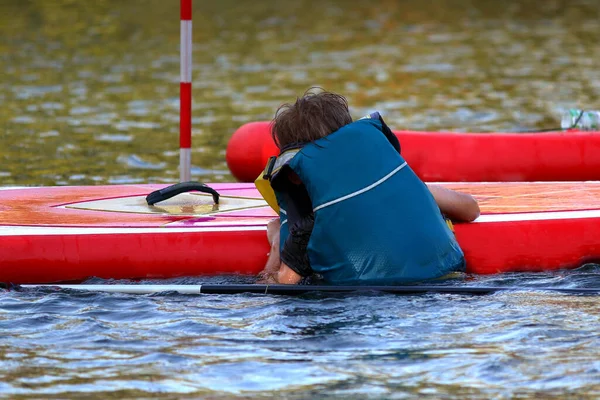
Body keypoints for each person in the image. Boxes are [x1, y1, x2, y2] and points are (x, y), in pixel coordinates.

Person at [256, 89, 480, 285]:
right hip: (447, 286)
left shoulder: (308, 228)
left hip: (366, 304)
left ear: (294, 171)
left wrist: (277, 242)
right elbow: (471, 209)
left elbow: (277, 286)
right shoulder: (409, 187)